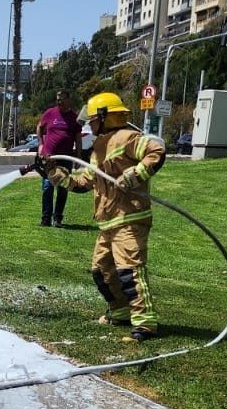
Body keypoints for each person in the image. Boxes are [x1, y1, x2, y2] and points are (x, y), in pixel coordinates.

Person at [47, 92, 165, 343]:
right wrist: (55, 174)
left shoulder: (128, 137)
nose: (89, 124)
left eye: (92, 119)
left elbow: (156, 151)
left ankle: (144, 322)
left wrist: (136, 173)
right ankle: (120, 311)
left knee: (129, 271)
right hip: (108, 222)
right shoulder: (98, 148)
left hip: (130, 218)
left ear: (105, 116)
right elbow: (82, 183)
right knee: (102, 271)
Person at [36, 89, 82, 227]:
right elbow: (39, 127)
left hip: (65, 159)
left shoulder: (75, 118)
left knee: (63, 189)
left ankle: (58, 219)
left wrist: (78, 157)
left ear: (69, 99)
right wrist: (40, 145)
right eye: (57, 99)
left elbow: (78, 139)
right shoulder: (50, 113)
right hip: (49, 158)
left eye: (62, 99)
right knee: (47, 187)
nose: (59, 102)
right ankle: (45, 218)